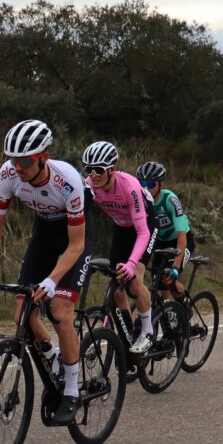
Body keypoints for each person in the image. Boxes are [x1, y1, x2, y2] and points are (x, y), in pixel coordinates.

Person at [0, 120, 94, 424]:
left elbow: (75, 246)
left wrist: (52, 280)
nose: (17, 166)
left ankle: (73, 390)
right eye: (12, 159)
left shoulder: (69, 181)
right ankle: (52, 359)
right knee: (22, 313)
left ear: (43, 156)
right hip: (45, 235)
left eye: (24, 161)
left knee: (60, 312)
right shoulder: (8, 175)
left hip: (75, 237)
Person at [83, 141, 157, 354]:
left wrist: (132, 263)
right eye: (89, 169)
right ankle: (130, 333)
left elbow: (143, 232)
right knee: (117, 292)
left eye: (98, 169)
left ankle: (148, 331)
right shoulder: (90, 185)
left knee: (134, 280)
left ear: (112, 169)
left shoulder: (129, 186)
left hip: (145, 226)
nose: (93, 174)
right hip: (122, 228)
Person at [136, 161, 195, 301]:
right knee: (158, 281)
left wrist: (175, 266)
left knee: (169, 278)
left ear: (161, 185)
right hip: (161, 242)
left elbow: (182, 237)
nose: (145, 188)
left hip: (180, 241)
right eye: (141, 183)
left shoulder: (170, 199)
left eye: (150, 184)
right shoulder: (140, 200)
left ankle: (185, 308)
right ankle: (166, 312)